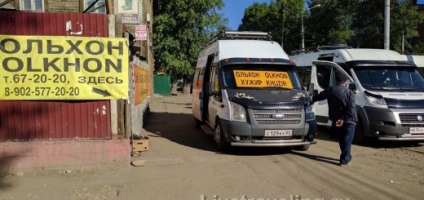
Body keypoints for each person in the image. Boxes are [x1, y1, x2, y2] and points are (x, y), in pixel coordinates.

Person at [310, 73, 357, 166]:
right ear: (345, 82)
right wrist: (343, 119)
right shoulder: (350, 93)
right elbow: (351, 109)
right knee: (347, 139)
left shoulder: (330, 90)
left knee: (342, 139)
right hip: (349, 120)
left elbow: (319, 97)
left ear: (336, 81)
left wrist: (311, 100)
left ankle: (346, 156)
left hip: (336, 119)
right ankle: (345, 159)